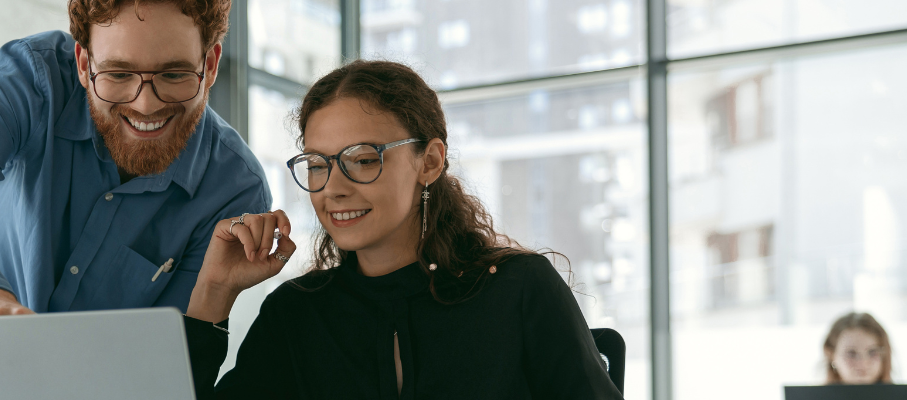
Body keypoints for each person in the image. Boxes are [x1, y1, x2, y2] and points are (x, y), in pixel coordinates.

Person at [0, 0, 286, 398]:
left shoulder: (235, 192)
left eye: (174, 75)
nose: (145, 104)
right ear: (84, 64)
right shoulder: (32, 77)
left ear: (209, 66)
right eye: (118, 75)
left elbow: (161, 378)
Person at [181, 60, 623, 399]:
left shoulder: (519, 290)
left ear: (428, 162)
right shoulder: (296, 316)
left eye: (363, 159)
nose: (332, 189)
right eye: (317, 165)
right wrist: (215, 289)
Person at [823, 312, 894, 384]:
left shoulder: (902, 395)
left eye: (872, 352)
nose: (863, 363)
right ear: (831, 355)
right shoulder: (817, 395)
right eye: (851, 353)